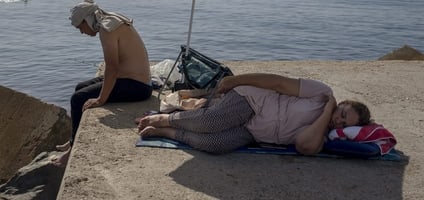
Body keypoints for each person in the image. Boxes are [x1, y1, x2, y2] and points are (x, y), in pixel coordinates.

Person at [137, 73, 371, 154]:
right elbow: (277, 83)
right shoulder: (322, 93)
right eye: (342, 111)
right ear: (344, 103)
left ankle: (168, 132)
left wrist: (328, 112)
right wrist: (236, 80)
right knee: (212, 121)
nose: (338, 119)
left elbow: (304, 146)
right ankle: (165, 118)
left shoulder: (322, 135)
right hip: (254, 102)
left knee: (215, 144)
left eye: (343, 122)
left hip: (253, 132)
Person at [54, 0, 153, 165]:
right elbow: (113, 67)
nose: (81, 32)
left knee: (78, 99)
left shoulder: (108, 29)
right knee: (80, 87)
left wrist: (101, 99)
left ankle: (72, 150)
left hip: (138, 86)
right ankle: (73, 138)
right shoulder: (109, 21)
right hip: (132, 79)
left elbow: (112, 67)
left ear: (87, 20)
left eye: (80, 27)